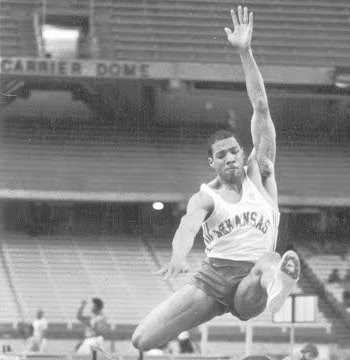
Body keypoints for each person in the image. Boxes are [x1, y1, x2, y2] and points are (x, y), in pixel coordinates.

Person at [132, 5, 300, 352]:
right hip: (212, 279)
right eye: (221, 155)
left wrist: (245, 52)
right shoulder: (208, 196)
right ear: (212, 162)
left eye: (234, 151)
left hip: (250, 279)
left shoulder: (262, 174)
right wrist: (179, 255)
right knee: (142, 339)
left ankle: (277, 276)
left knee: (260, 273)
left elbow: (261, 107)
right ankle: (271, 277)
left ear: (243, 153)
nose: (230, 158)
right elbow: (188, 226)